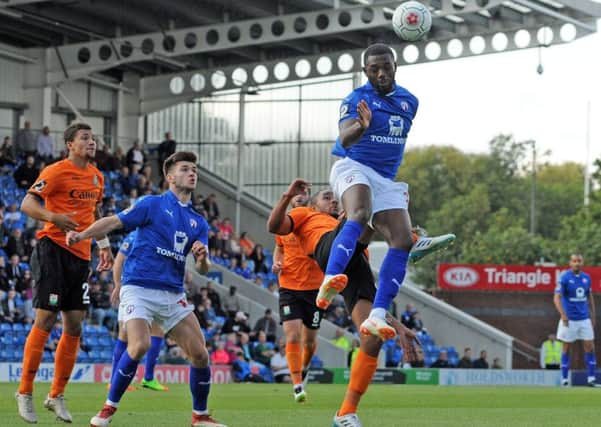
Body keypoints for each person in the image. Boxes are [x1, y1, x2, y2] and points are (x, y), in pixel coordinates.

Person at [66, 151, 226, 427]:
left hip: (173, 293)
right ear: (169, 176)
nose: (192, 173)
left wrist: (202, 259)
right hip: (139, 287)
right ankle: (107, 409)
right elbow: (114, 222)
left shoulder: (198, 222)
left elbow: (203, 268)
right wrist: (82, 236)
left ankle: (200, 416)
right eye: (185, 168)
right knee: (138, 344)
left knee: (200, 354)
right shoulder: (151, 204)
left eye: (194, 169)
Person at [315, 43, 454, 341]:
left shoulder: (410, 102)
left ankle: (377, 315)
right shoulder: (355, 99)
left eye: (385, 67)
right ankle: (330, 279)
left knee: (402, 240)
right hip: (354, 167)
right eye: (373, 68)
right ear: (365, 71)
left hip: (386, 179)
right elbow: (345, 137)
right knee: (360, 212)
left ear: (395, 67)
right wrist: (361, 127)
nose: (380, 73)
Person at [268, 181, 430, 426]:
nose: (333, 201)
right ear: (313, 204)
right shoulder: (306, 215)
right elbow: (274, 227)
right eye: (326, 197)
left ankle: (345, 413)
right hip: (328, 250)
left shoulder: (345, 222)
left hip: (352, 260)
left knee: (372, 338)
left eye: (335, 198)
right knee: (363, 210)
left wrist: (399, 327)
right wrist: (287, 196)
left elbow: (376, 300)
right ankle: (409, 239)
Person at [15, 122, 113, 424]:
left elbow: (93, 215)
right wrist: (53, 216)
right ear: (70, 144)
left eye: (93, 138)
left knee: (74, 327)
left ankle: (56, 395)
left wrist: (104, 244)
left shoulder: (97, 177)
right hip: (52, 249)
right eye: (85, 138)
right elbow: (27, 203)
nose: (91, 142)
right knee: (45, 317)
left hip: (80, 256)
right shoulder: (56, 171)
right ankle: (25, 392)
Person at [110, 230, 169, 392]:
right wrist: (117, 285)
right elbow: (118, 261)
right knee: (125, 334)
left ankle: (148, 377)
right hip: (133, 289)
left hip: (155, 289)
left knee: (158, 331)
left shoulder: (160, 234)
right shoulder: (134, 236)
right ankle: (114, 379)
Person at [554, 253, 598, 387]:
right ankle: (564, 379)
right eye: (574, 261)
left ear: (582, 262)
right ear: (570, 263)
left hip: (584, 319)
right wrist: (563, 314)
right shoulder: (564, 277)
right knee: (566, 348)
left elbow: (589, 297)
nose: (577, 263)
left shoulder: (586, 278)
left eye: (579, 261)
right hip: (569, 320)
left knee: (590, 347)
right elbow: (556, 298)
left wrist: (593, 315)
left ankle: (591, 379)